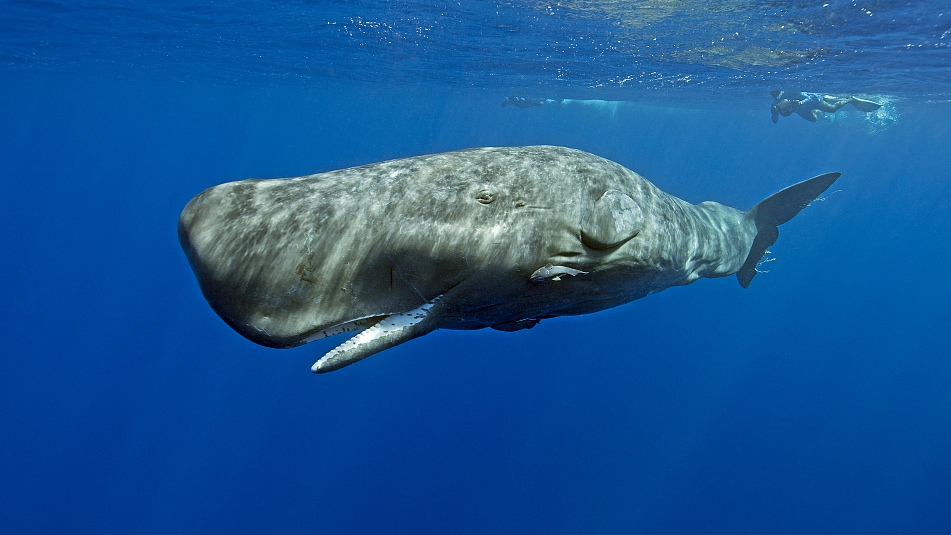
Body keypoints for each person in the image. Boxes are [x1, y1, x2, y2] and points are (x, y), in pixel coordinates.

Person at [770, 91, 882, 123]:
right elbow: (775, 121)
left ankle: (850, 100)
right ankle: (817, 112)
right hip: (802, 110)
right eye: (784, 108)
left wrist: (801, 103)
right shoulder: (775, 104)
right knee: (814, 119)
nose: (786, 106)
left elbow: (813, 97)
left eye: (787, 105)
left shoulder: (793, 93)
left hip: (813, 101)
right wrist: (774, 114)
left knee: (832, 109)